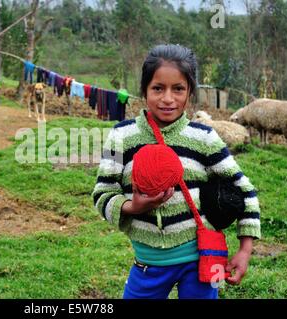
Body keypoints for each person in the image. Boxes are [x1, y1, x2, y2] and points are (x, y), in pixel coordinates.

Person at [92, 44, 261, 299]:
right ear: (144, 90)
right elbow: (102, 193)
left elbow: (244, 189)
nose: (168, 98)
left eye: (178, 89)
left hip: (201, 259)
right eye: (158, 88)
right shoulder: (120, 136)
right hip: (147, 263)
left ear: (190, 92)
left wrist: (245, 249)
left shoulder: (204, 137)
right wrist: (132, 207)